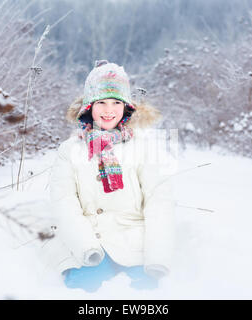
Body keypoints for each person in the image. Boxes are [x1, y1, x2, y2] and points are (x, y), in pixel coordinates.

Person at [46, 60, 176, 292]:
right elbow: (63, 202)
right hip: (88, 241)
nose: (109, 110)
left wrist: (157, 258)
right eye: (101, 102)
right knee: (80, 288)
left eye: (116, 102)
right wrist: (86, 247)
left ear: (126, 107)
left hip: (134, 243)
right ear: (89, 107)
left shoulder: (143, 148)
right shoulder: (70, 150)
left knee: (145, 291)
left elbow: (159, 202)